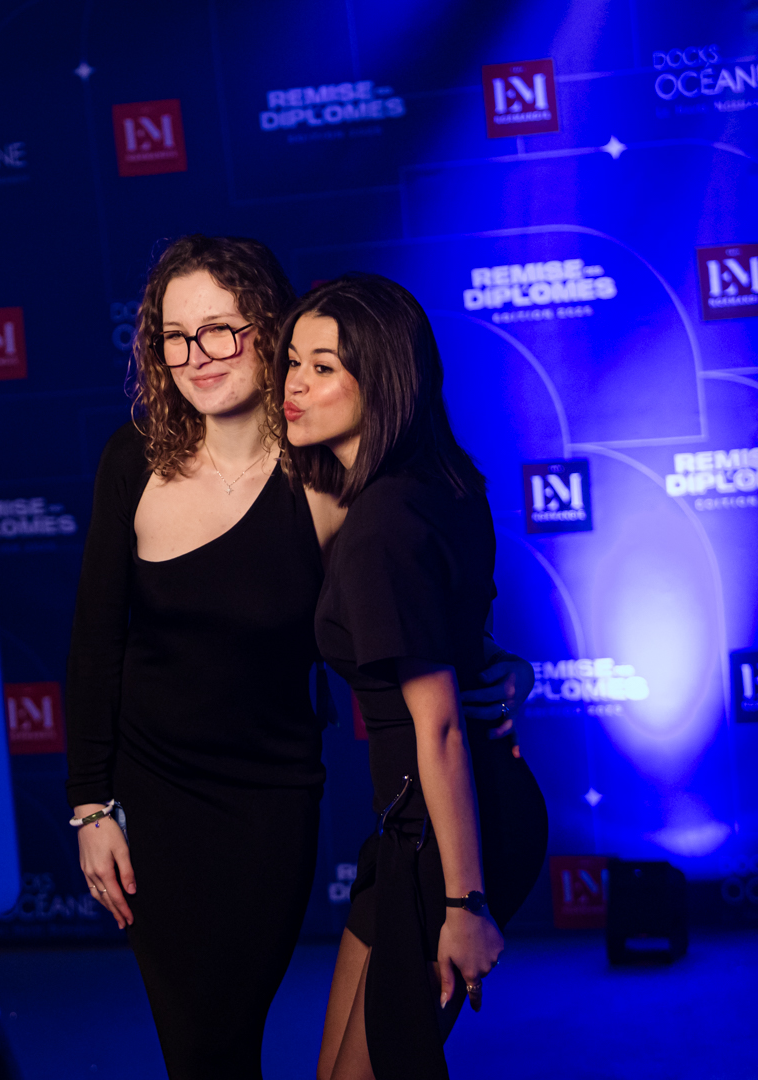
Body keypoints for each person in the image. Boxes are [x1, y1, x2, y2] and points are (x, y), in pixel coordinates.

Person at [65, 237, 533, 1079]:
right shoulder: (131, 462)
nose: (197, 355)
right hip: (154, 804)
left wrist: (498, 667)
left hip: (270, 805)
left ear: (266, 326)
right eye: (175, 337)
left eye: (220, 329)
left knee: (241, 1030)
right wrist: (90, 807)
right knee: (199, 1051)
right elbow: (96, 644)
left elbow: (421, 603)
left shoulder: (332, 480)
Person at [282, 274, 548, 1080]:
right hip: (414, 827)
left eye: (323, 367)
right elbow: (468, 637)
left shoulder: (382, 529)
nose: (295, 384)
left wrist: (465, 905)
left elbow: (438, 725)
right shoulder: (438, 483)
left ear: (383, 376)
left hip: (448, 836)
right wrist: (510, 668)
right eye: (292, 362)